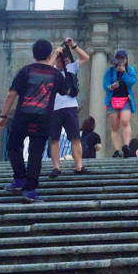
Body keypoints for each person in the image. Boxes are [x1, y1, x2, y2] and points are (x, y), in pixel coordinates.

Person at [0, 39, 69, 203]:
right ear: (50, 55)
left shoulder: (26, 71)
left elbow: (11, 95)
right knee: (35, 153)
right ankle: (30, 189)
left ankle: (19, 178)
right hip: (43, 118)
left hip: (23, 115)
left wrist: (3, 116)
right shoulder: (55, 74)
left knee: (13, 146)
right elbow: (65, 91)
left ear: (34, 54)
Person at [49, 38, 90, 176]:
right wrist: (55, 54)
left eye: (65, 60)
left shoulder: (71, 68)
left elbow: (85, 57)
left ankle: (79, 166)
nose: (62, 63)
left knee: (75, 137)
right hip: (55, 108)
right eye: (60, 61)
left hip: (70, 106)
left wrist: (73, 46)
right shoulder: (52, 71)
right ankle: (56, 167)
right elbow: (45, 69)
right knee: (54, 139)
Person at [103, 49, 137, 157]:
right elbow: (105, 84)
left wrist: (123, 73)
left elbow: (132, 82)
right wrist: (111, 86)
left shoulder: (130, 69)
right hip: (112, 100)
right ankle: (117, 150)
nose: (120, 60)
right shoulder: (110, 71)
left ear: (126, 59)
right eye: (118, 58)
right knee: (114, 126)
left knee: (125, 121)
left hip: (125, 99)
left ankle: (126, 146)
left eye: (122, 58)